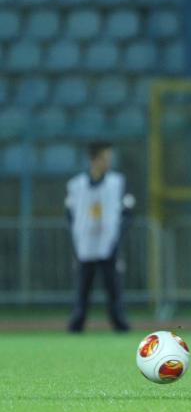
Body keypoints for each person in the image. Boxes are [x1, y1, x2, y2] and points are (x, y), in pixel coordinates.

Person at [66, 141, 134, 333]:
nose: (108, 163)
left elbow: (128, 212)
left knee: (114, 288)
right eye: (104, 158)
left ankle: (119, 323)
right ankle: (77, 323)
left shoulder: (117, 182)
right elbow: (69, 214)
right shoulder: (76, 185)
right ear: (93, 160)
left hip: (109, 244)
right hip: (85, 246)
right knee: (82, 289)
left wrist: (117, 235)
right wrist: (78, 238)